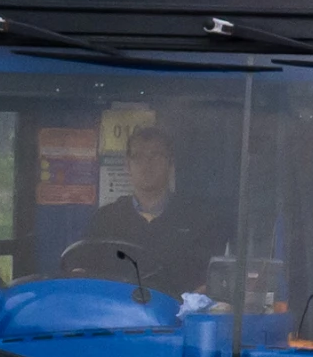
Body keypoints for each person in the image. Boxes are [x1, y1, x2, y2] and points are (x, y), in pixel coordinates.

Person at [79, 126, 217, 295]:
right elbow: (88, 276)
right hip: (118, 316)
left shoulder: (197, 219)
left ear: (171, 163)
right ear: (127, 165)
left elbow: (209, 280)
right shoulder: (105, 219)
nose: (147, 164)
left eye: (155, 156)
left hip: (178, 317)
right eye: (138, 157)